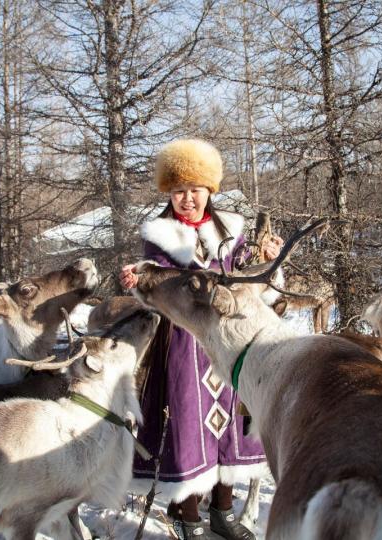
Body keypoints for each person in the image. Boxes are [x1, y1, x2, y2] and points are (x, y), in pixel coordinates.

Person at [119, 139, 282, 540]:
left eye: (195, 189)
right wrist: (135, 281)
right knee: (187, 424)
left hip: (227, 342)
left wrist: (268, 257)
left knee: (228, 422)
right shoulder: (160, 236)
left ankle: (222, 512)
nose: (187, 198)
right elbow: (152, 284)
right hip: (182, 342)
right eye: (178, 191)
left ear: (210, 190)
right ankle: (187, 514)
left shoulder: (230, 229)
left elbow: (247, 277)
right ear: (168, 194)